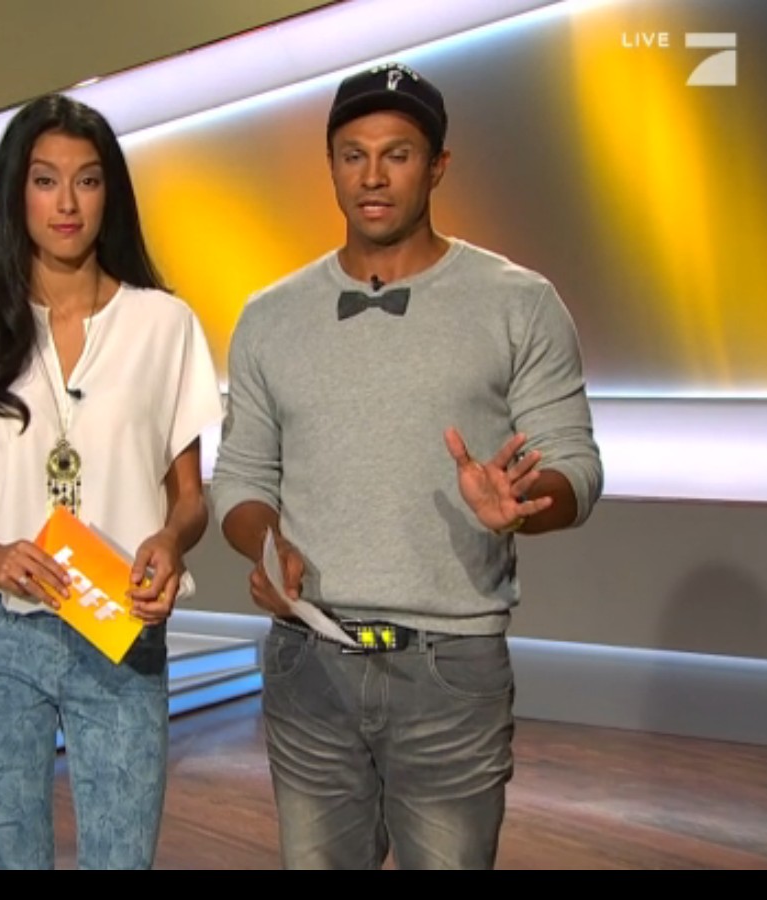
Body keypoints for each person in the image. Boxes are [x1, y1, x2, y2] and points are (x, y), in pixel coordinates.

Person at [210, 61, 604, 870]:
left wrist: (524, 502)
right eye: (353, 156)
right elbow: (241, 478)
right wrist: (266, 544)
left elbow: (577, 468)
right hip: (307, 659)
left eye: (397, 154)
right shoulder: (269, 316)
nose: (373, 177)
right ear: (330, 167)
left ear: (438, 166)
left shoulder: (519, 302)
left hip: (450, 666)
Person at [0, 93, 223, 869]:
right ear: (16, 195)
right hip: (0, 639)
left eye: (87, 180)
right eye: (46, 181)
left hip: (120, 631)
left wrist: (170, 540)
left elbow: (190, 498)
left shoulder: (164, 326)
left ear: (110, 193)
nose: (67, 203)